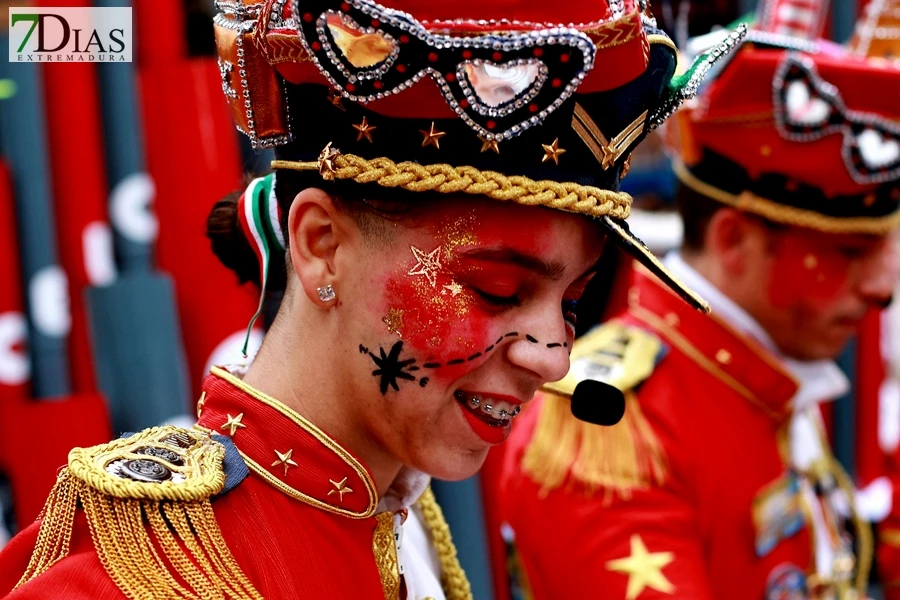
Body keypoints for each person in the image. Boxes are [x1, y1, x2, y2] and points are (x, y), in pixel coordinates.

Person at [0, 0, 741, 598]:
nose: (553, 358)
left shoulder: (399, 518)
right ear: (321, 245)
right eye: (497, 289)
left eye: (573, 303)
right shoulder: (136, 580)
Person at [500, 2, 900, 599]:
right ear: (733, 241)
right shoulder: (608, 425)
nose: (881, 287)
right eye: (847, 253)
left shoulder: (770, 371)